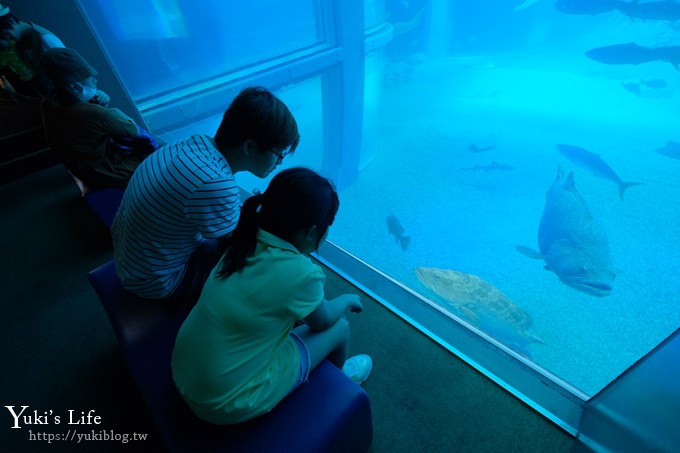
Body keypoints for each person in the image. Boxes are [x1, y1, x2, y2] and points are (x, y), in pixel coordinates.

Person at [172, 167, 373, 424]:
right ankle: (339, 384)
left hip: (184, 370)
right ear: (311, 232)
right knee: (340, 328)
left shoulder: (243, 239)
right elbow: (322, 321)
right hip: (223, 400)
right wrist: (346, 299)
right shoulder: (302, 273)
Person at [112, 86, 300, 301]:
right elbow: (234, 241)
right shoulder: (216, 183)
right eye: (279, 154)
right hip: (154, 280)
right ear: (249, 147)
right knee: (256, 265)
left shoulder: (190, 144)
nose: (279, 162)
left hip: (128, 257)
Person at [39, 47, 156, 189]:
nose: (95, 80)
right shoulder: (96, 114)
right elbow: (135, 131)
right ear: (76, 84)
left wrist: (96, 104)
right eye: (89, 77)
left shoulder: (49, 103)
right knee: (159, 150)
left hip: (82, 169)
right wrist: (105, 109)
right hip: (110, 173)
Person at [0, 3, 64, 97]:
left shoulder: (47, 40)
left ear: (12, 21)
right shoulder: (19, 39)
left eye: (6, 36)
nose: (8, 41)